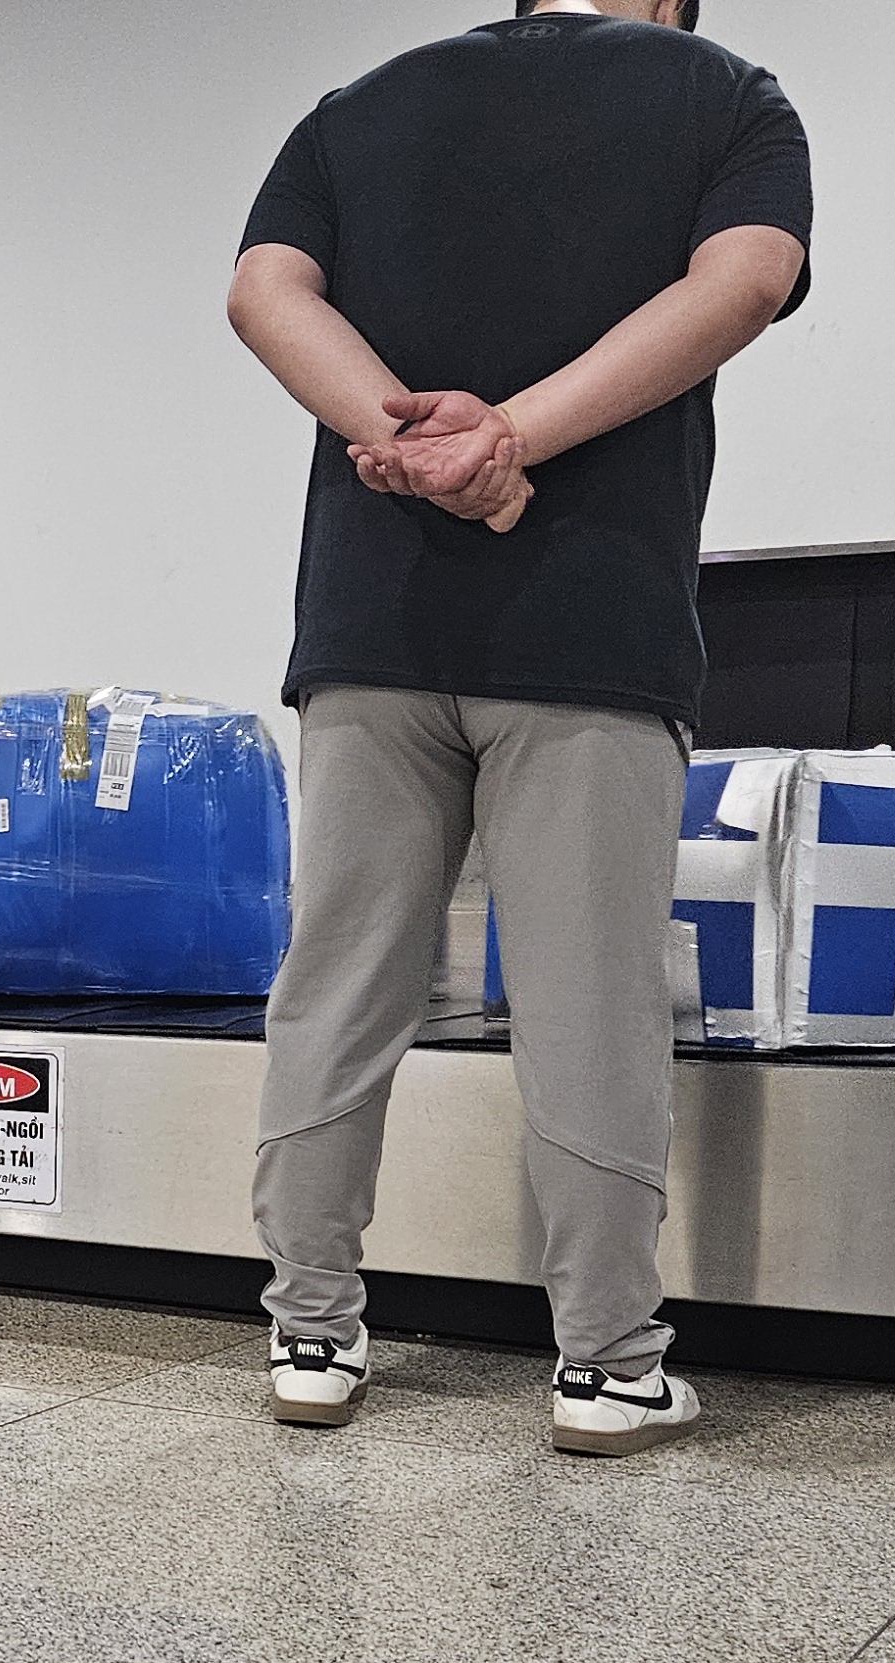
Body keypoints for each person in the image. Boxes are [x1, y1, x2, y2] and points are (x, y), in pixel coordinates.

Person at [227, 0, 812, 1451]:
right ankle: (607, 1366)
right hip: (591, 630)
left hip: (370, 622)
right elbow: (747, 279)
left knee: (338, 979)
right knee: (587, 1000)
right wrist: (507, 442)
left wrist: (404, 441)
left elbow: (263, 292)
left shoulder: (360, 105)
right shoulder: (729, 97)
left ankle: (311, 1334)